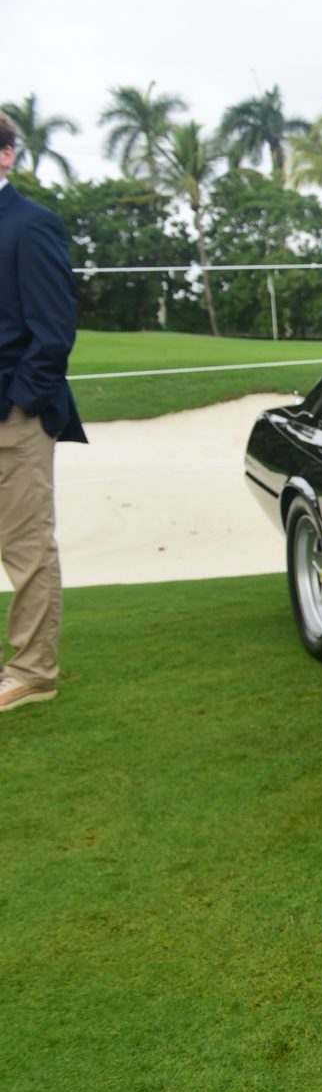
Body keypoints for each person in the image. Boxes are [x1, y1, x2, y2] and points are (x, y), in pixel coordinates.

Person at [0, 112, 82, 712]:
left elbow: (53, 333)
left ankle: (32, 671)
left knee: (24, 546)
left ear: (5, 156)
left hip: (15, 419)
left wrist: (18, 404)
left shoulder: (31, 225)